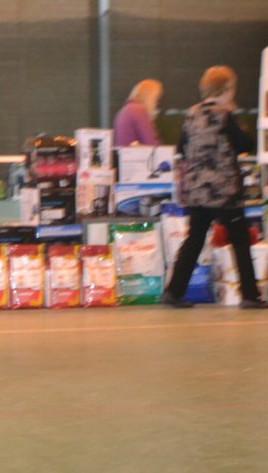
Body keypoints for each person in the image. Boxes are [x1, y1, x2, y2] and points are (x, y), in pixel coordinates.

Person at [162, 65, 267, 309]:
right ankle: (250, 295)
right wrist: (238, 121)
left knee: (194, 239)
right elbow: (246, 144)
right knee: (240, 240)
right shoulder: (225, 115)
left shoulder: (191, 115)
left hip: (197, 190)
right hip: (224, 191)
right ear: (227, 89)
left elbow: (182, 148)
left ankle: (173, 292)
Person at [113, 79, 163, 146]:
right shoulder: (139, 111)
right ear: (148, 96)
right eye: (156, 98)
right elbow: (151, 143)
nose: (156, 103)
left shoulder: (125, 110)